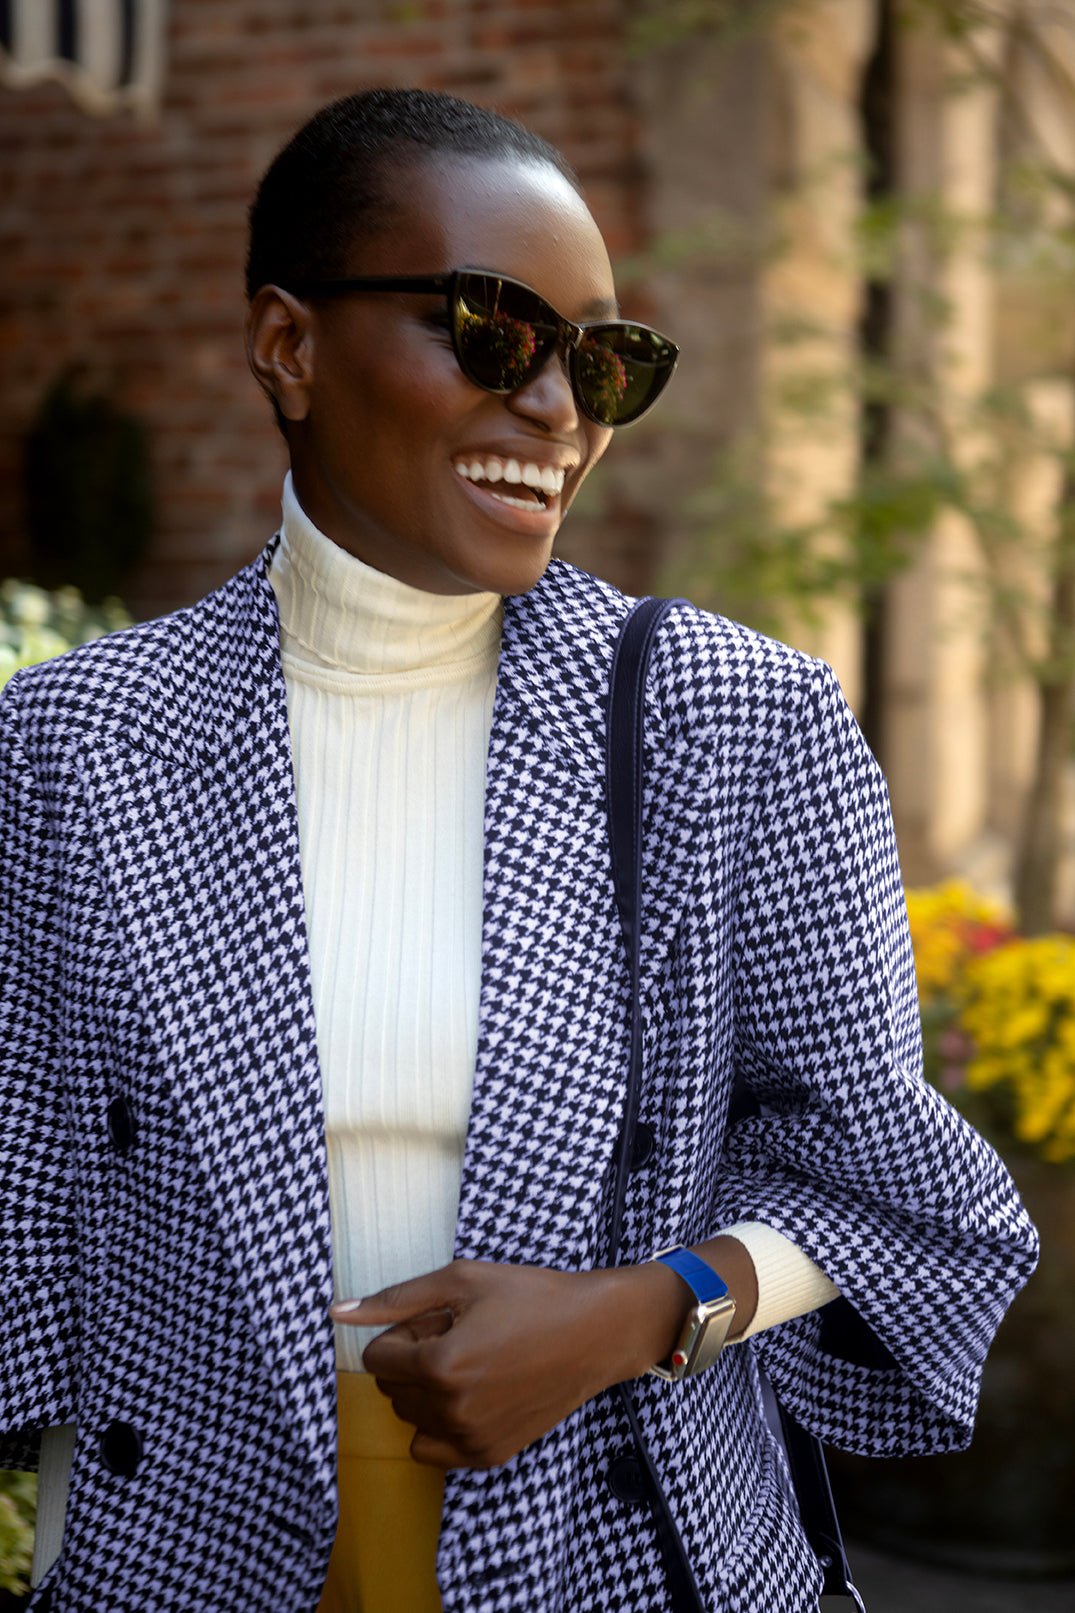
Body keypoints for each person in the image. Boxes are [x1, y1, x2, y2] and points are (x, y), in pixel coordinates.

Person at [0, 87, 1038, 1613]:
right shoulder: (71, 743)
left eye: (605, 361)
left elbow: (894, 1191)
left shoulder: (734, 724)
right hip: (186, 1555)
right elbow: (26, 1224)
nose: (560, 409)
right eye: (493, 332)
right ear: (287, 345)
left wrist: (632, 1315)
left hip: (606, 1549)